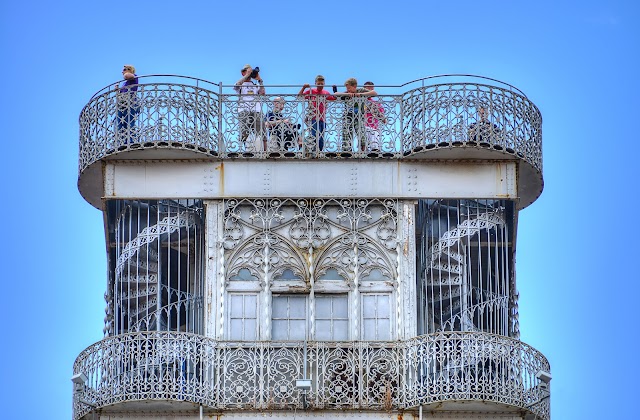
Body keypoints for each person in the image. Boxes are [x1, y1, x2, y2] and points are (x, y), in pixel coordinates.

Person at [333, 78, 377, 152]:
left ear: (355, 86)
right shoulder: (347, 93)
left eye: (349, 88)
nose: (348, 90)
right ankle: (347, 150)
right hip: (348, 116)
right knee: (346, 132)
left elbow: (374, 93)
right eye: (347, 88)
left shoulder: (361, 90)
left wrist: (361, 94)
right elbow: (335, 95)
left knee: (361, 132)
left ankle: (362, 150)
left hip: (359, 116)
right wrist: (347, 94)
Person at [297, 75, 336, 151]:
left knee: (321, 137)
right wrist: (304, 87)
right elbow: (299, 97)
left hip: (323, 118)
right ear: (315, 83)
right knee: (315, 135)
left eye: (322, 84)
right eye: (319, 84)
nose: (320, 85)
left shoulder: (326, 92)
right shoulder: (311, 91)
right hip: (314, 118)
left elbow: (334, 98)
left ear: (324, 84)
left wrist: (335, 90)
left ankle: (319, 152)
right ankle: (314, 151)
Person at [234, 64, 267, 153]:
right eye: (247, 71)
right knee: (244, 132)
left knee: (262, 131)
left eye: (250, 71)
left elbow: (263, 93)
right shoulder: (241, 84)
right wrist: (247, 75)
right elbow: (236, 86)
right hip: (244, 111)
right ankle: (245, 151)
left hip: (256, 110)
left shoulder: (255, 85)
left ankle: (265, 152)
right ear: (243, 72)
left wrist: (260, 81)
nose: (250, 73)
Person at [114, 64, 140, 143]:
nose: (122, 72)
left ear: (130, 70)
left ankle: (131, 141)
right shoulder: (125, 83)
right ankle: (122, 142)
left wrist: (127, 72)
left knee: (129, 122)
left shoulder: (134, 77)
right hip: (122, 104)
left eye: (124, 70)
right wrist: (118, 90)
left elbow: (127, 76)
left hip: (130, 102)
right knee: (121, 123)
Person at [363, 81, 387, 153]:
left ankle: (375, 151)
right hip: (361, 126)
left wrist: (375, 110)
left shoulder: (376, 104)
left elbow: (384, 120)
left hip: (373, 127)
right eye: (368, 88)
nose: (369, 90)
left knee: (375, 147)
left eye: (371, 89)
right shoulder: (358, 101)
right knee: (362, 148)